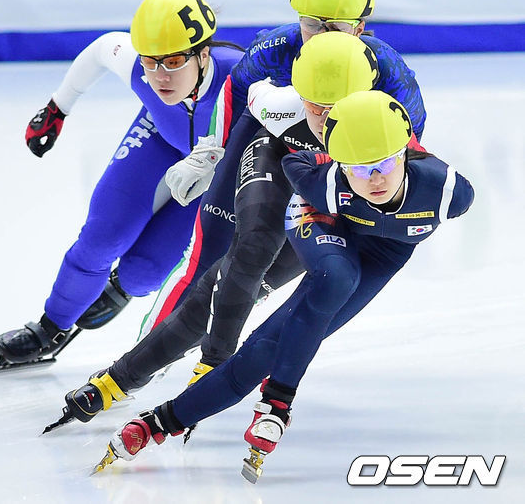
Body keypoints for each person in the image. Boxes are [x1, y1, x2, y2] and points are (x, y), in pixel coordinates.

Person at [90, 90, 474, 481]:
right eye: (359, 169)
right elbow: (292, 157)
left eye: (385, 164)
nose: (375, 178)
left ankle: (159, 422)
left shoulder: (449, 192)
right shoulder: (322, 181)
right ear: (342, 166)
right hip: (323, 220)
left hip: (385, 252)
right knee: (336, 278)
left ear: (404, 154)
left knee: (266, 350)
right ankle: (278, 402)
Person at [50, 31, 423, 431]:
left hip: (331, 190)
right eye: (314, 106)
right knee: (248, 253)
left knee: (259, 285)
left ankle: (130, 376)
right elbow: (237, 98)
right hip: (277, 155)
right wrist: (209, 153)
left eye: (336, 108)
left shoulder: (390, 131)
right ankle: (167, 370)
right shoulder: (279, 105)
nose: (324, 120)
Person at [0, 0, 244, 369]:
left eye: (174, 61)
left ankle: (123, 286)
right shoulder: (140, 68)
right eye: (150, 61)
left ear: (204, 54)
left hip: (217, 173)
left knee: (145, 272)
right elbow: (103, 49)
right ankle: (51, 327)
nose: (160, 76)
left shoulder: (244, 81)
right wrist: (57, 108)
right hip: (162, 138)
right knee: (102, 238)